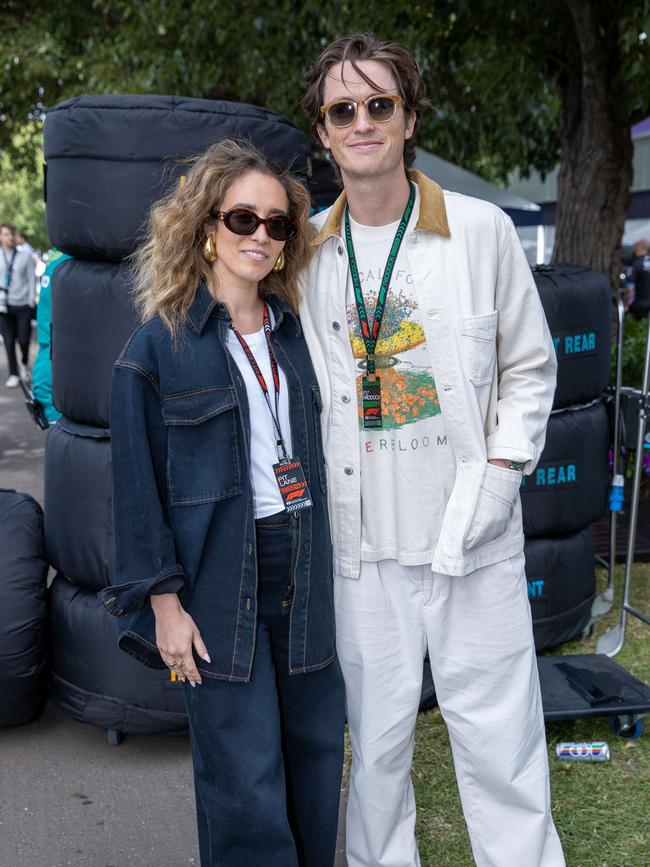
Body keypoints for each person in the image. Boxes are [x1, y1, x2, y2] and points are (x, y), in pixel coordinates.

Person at [299, 32, 565, 867]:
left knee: (503, 747)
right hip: (362, 549)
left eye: (380, 104)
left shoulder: (482, 231)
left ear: (410, 118)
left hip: (472, 539)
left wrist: (497, 476)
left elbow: (529, 368)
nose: (363, 121)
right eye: (344, 109)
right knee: (374, 759)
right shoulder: (303, 251)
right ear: (323, 132)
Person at [98, 140, 345, 867]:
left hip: (304, 575)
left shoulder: (298, 336)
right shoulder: (155, 351)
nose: (262, 237)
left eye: (278, 225)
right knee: (245, 784)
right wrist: (164, 605)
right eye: (244, 219)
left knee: (314, 764)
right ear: (207, 227)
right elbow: (136, 493)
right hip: (216, 585)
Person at [0, 222, 36, 387]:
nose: (10, 237)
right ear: (1, 237)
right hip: (3, 306)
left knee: (23, 340)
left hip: (22, 305)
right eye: (6, 234)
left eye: (12, 234)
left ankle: (24, 363)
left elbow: (31, 279)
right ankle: (13, 373)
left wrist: (30, 301)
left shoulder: (24, 256)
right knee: (8, 341)